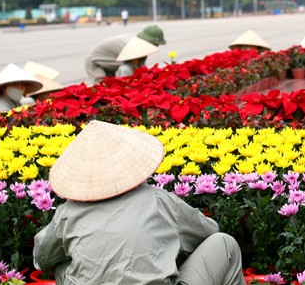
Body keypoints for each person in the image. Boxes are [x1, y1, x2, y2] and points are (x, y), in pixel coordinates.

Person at [33, 120, 247, 285]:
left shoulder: (68, 212)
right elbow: (208, 232)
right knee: (224, 243)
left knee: (62, 266)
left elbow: (42, 259)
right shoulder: (158, 200)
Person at [84, 25, 166, 84]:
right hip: (95, 62)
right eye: (156, 44)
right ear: (149, 41)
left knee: (111, 86)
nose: (157, 46)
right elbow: (129, 70)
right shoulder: (131, 45)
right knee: (101, 88)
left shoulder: (141, 42)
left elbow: (140, 65)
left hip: (112, 61)